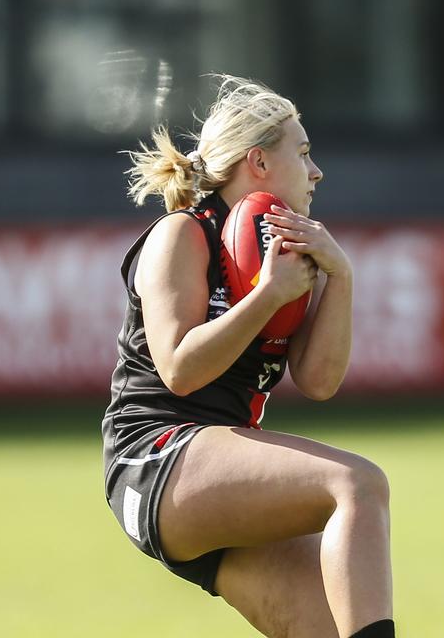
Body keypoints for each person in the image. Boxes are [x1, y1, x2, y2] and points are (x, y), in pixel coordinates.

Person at [102, 75, 395, 638]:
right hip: (154, 458)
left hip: (220, 472)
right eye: (304, 153)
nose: (317, 172)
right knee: (357, 484)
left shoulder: (284, 249)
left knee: (329, 629)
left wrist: (341, 276)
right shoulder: (183, 234)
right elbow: (180, 371)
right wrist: (268, 295)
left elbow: (318, 381)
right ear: (257, 162)